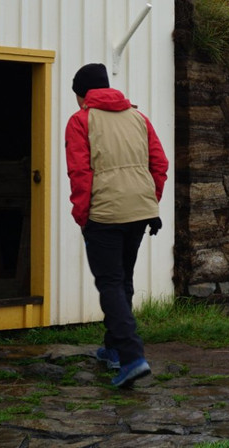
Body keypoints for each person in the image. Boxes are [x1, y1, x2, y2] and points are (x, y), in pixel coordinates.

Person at [65, 63, 168, 388]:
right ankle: (112, 350)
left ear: (83, 95)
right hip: (140, 210)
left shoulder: (80, 121)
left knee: (110, 283)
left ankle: (132, 357)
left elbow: (80, 173)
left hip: (105, 214)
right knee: (122, 279)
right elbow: (159, 164)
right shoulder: (139, 118)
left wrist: (83, 215)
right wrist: (149, 199)